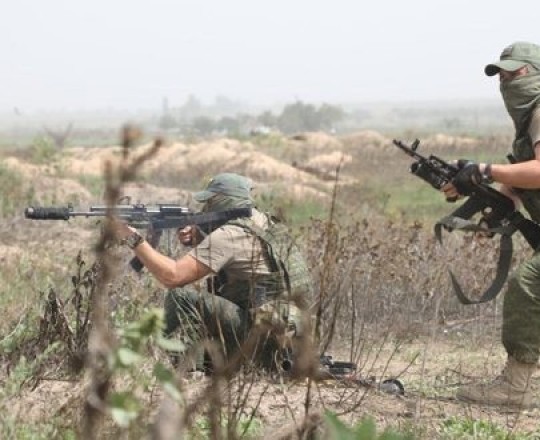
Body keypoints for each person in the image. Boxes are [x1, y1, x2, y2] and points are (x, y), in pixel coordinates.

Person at [113, 172, 313, 373]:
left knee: (181, 297)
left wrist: (133, 238)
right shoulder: (266, 224)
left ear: (223, 202)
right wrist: (202, 238)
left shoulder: (229, 235)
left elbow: (172, 276)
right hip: (289, 342)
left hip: (262, 346)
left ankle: (190, 371)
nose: (205, 208)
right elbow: (243, 258)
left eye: (210, 202)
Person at [443, 41, 540, 408]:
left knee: (528, 285)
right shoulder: (528, 123)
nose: (507, 82)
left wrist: (484, 169)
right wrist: (492, 209)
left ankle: (515, 389)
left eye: (516, 74)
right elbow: (519, 179)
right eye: (501, 76)